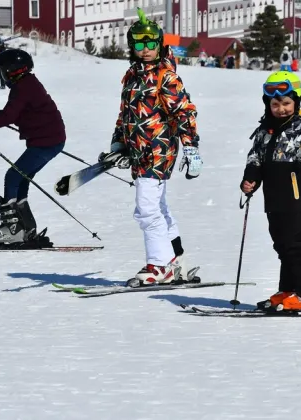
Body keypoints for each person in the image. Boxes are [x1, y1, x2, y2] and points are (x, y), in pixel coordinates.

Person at [100, 9, 202, 287]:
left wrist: (191, 150)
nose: (145, 50)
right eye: (139, 45)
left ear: (159, 45)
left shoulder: (165, 78)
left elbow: (184, 113)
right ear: (132, 47)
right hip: (138, 152)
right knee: (158, 207)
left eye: (151, 44)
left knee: (146, 209)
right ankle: (175, 258)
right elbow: (125, 114)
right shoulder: (132, 75)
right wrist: (119, 144)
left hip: (158, 152)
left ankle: (159, 265)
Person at [240, 71, 301, 311]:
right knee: (282, 243)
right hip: (274, 197)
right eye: (275, 104)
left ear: (297, 103)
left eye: (286, 103)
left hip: (300, 196)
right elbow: (256, 158)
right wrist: (250, 179)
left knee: (295, 242)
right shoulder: (264, 130)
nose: (280, 108)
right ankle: (292, 289)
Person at [0, 49, 66, 247]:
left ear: (11, 71)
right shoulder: (27, 84)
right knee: (21, 179)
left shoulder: (24, 87)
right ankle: (26, 228)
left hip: (45, 142)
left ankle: (12, 229)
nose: (2, 75)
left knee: (13, 176)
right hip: (50, 140)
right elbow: (16, 112)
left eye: (2, 71)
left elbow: (10, 116)